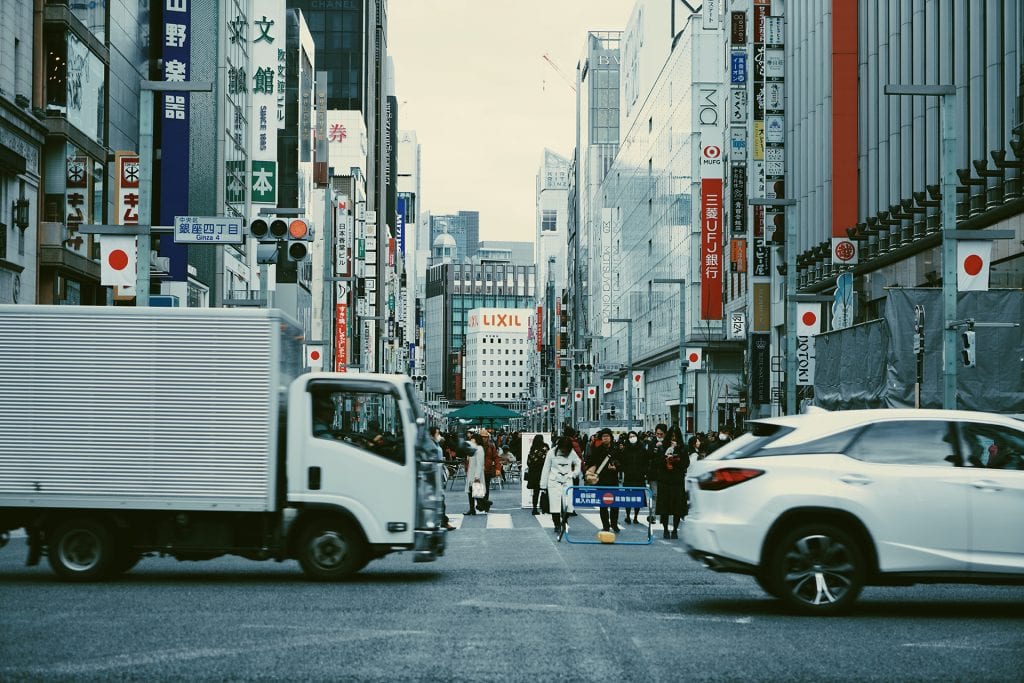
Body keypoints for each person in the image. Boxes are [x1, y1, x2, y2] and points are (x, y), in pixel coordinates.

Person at [540, 436, 581, 540]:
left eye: (566, 449)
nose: (564, 451)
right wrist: (543, 486)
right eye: (563, 449)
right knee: (555, 504)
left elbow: (578, 462)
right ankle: (557, 524)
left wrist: (574, 473)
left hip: (567, 480)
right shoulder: (551, 453)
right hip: (554, 481)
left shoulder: (571, 452)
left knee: (568, 503)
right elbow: (546, 469)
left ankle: (565, 521)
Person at [652, 425, 687, 539]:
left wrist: (678, 459)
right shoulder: (663, 447)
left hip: (677, 481)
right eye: (671, 436)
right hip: (665, 480)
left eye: (675, 436)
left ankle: (675, 529)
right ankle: (666, 529)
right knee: (665, 508)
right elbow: (657, 462)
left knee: (677, 508)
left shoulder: (682, 448)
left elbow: (686, 463)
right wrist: (665, 459)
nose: (673, 438)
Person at [586, 428, 621, 533]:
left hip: (613, 479)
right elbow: (592, 462)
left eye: (607, 436)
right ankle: (606, 525)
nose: (606, 438)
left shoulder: (616, 449)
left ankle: (614, 524)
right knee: (603, 504)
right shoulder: (597, 450)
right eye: (604, 436)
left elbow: (621, 462)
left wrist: (616, 467)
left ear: (611, 437)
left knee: (615, 504)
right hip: (601, 479)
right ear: (601, 438)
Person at [427, 426, 456, 531]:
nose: (439, 436)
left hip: (437, 476)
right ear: (431, 434)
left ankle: (441, 521)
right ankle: (442, 521)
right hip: (433, 478)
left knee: (439, 500)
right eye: (437, 433)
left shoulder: (435, 444)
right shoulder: (430, 446)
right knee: (438, 500)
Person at [619, 430, 648, 524]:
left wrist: (644, 471)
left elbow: (645, 461)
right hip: (628, 475)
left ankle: (636, 516)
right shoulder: (625, 449)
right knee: (628, 496)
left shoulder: (642, 448)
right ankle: (627, 515)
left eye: (634, 436)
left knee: (638, 496)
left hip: (639, 475)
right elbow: (622, 461)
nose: (632, 438)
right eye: (630, 436)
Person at [525, 434, 549, 515]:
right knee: (546, 489)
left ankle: (534, 508)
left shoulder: (533, 448)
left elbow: (528, 462)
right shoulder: (545, 447)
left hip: (534, 473)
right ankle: (546, 507)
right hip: (543, 471)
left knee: (536, 491)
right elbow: (548, 460)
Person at [463, 432, 486, 515]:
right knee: (470, 491)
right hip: (471, 473)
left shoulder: (479, 449)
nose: (470, 440)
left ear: (476, 439)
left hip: (476, 473)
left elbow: (480, 463)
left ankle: (485, 504)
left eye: (472, 438)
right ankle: (472, 508)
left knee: (475, 492)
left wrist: (477, 476)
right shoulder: (473, 448)